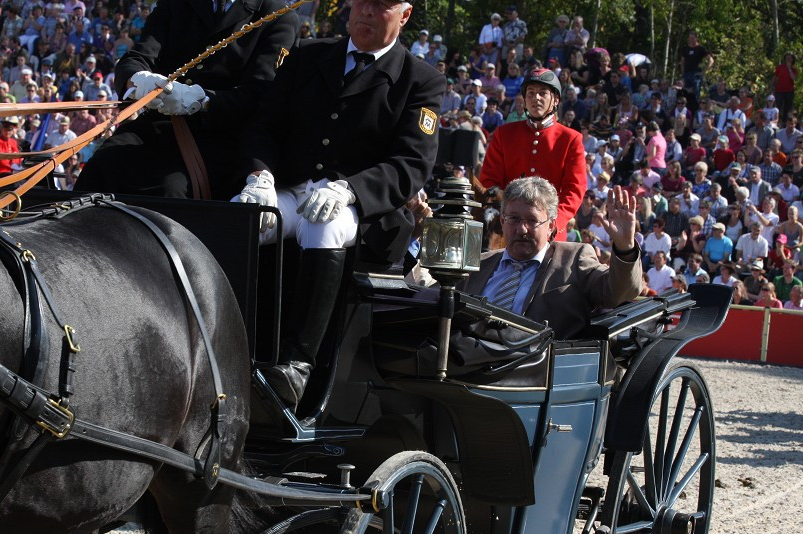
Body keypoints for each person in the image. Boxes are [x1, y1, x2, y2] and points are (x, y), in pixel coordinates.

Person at [231, 0, 444, 410]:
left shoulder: (421, 80)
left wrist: (350, 190)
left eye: (381, 5)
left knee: (323, 225)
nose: (366, 11)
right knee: (241, 217)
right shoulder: (309, 56)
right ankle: (222, 342)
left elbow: (412, 164)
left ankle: (297, 366)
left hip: (362, 212)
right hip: (292, 189)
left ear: (404, 15)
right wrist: (259, 176)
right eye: (361, 1)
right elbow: (264, 126)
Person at [75, 0, 297, 199]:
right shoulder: (176, 4)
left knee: (166, 190)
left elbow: (259, 95)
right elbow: (138, 57)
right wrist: (137, 79)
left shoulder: (278, 15)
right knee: (99, 167)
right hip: (157, 125)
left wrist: (200, 100)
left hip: (218, 137)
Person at [464, 177, 642, 339]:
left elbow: (619, 292)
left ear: (551, 226)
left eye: (532, 221)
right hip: (465, 361)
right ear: (503, 222)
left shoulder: (574, 260)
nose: (522, 229)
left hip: (533, 367)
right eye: (514, 219)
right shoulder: (478, 263)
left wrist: (625, 248)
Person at [479, 68, 585, 241]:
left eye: (543, 93)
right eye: (531, 93)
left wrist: (553, 223)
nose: (536, 98)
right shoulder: (503, 134)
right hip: (507, 233)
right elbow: (489, 182)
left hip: (549, 234)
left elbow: (574, 190)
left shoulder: (571, 139)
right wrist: (505, 217)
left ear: (555, 100)